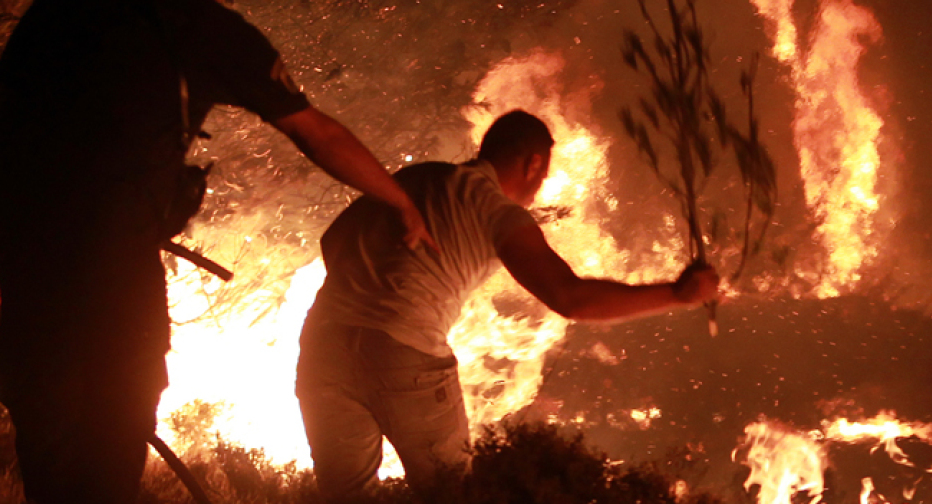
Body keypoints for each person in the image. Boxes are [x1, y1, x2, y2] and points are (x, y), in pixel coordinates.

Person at [0, 0, 435, 503]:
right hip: (110, 257)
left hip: (23, 245)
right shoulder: (205, 27)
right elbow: (315, 134)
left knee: (45, 415)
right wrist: (400, 200)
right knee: (116, 420)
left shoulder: (61, 4)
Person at [295, 109, 721, 501]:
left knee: (346, 498)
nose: (538, 191)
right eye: (543, 176)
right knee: (454, 493)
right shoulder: (496, 210)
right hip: (405, 354)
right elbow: (568, 298)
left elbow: (332, 239)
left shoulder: (416, 177)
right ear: (532, 163)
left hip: (321, 346)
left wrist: (370, 283)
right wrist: (676, 295)